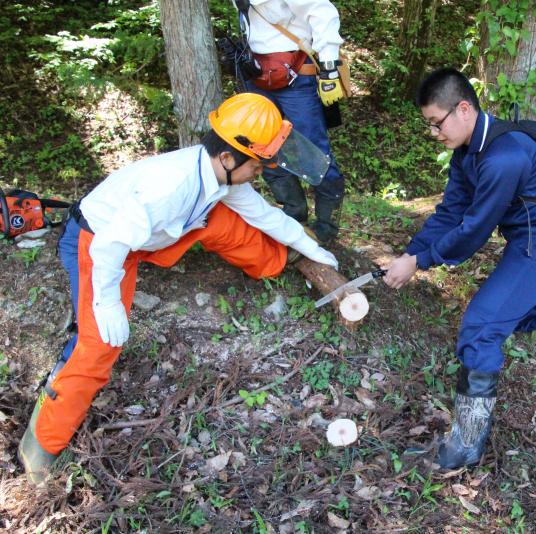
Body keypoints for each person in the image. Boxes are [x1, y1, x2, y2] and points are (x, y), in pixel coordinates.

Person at [18, 93, 338, 483]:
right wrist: (106, 303)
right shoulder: (172, 188)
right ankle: (40, 449)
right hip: (98, 243)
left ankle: (276, 262)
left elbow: (265, 215)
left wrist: (313, 250)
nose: (260, 173)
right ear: (228, 157)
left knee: (225, 221)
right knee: (99, 346)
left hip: (147, 238)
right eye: (257, 165)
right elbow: (108, 244)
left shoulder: (221, 179)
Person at [382, 68, 536, 470]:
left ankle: (465, 443)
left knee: (482, 325)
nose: (434, 133)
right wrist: (411, 254)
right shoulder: (468, 152)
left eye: (435, 123)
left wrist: (420, 262)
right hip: (528, 239)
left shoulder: (504, 156)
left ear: (464, 109)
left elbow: (473, 230)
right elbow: (450, 214)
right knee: (505, 313)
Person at [239, 0, 347, 244]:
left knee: (314, 151)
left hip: (296, 74)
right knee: (263, 146)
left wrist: (329, 66)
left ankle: (325, 230)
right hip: (256, 72)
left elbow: (321, 11)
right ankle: (294, 216)